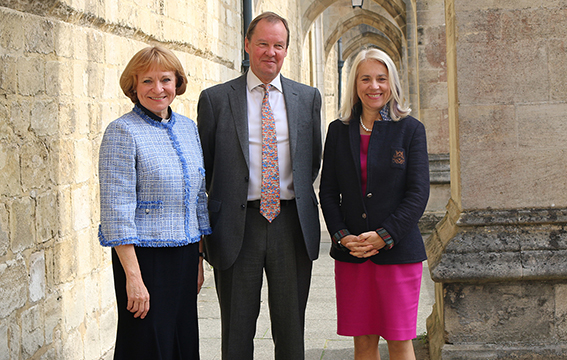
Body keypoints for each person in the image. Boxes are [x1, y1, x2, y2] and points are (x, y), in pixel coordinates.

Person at [197, 11, 322, 360]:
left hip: (291, 225)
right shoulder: (216, 99)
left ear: (286, 50)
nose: (271, 52)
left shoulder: (307, 98)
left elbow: (311, 161)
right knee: (236, 333)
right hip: (238, 227)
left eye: (278, 45)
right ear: (248, 45)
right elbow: (205, 168)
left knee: (291, 331)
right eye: (263, 44)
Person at [98, 45, 211, 360]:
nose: (158, 89)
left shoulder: (189, 129)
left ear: (177, 83)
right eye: (147, 81)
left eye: (165, 80)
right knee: (146, 346)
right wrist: (134, 279)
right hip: (144, 260)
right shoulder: (122, 132)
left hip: (186, 257)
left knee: (182, 342)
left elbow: (198, 199)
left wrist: (199, 261)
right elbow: (116, 211)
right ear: (133, 87)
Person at [319, 48, 430, 360]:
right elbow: (328, 192)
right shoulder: (338, 131)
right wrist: (342, 236)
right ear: (355, 84)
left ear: (391, 83)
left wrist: (385, 234)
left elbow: (418, 193)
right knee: (363, 342)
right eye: (365, 79)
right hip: (353, 252)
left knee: (399, 340)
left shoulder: (410, 130)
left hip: (397, 253)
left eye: (381, 79)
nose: (374, 86)